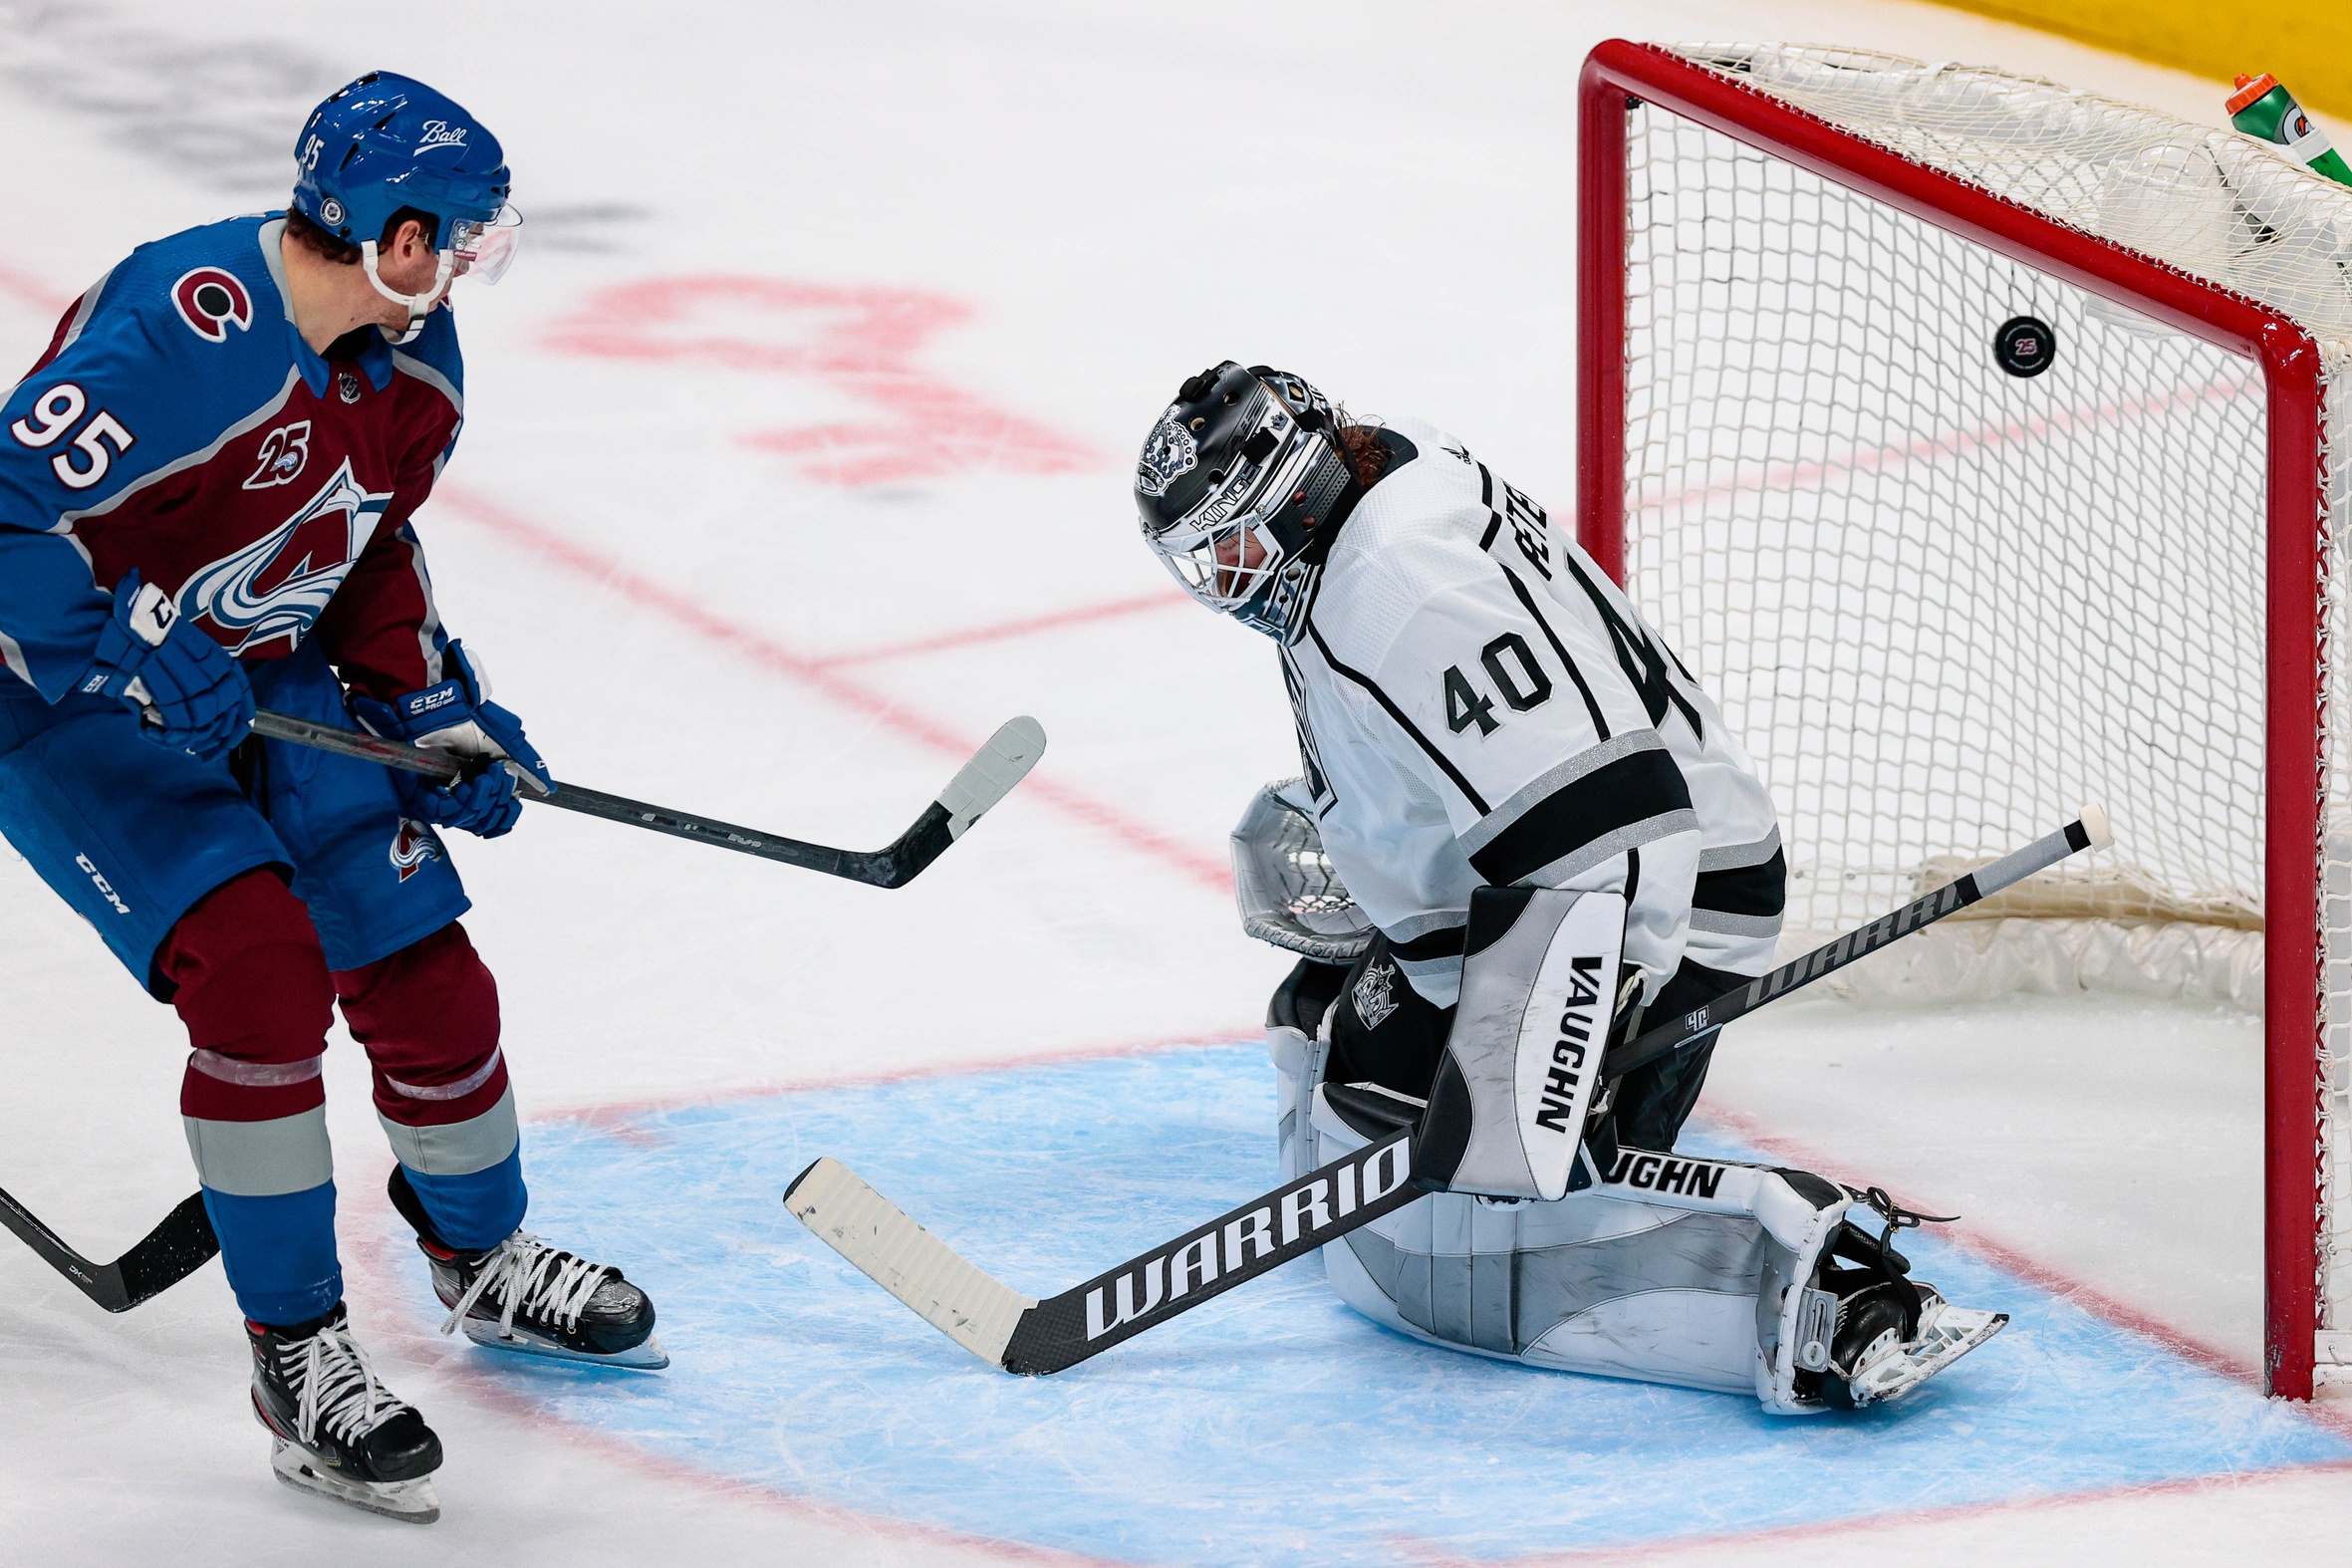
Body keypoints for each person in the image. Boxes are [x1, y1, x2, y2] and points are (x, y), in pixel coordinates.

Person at [0, 73, 657, 1524]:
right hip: (66, 697)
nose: (472, 265)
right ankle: (295, 1356)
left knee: (420, 952)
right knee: (258, 971)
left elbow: (360, 544)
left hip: (251, 661)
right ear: (391, 230)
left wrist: (431, 701)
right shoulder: (183, 335)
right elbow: (3, 523)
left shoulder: (415, 371)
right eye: (461, 237)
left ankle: (482, 1258)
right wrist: (115, 647)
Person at [1140, 362, 2003, 1411]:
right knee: (1343, 1044)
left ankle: (1843, 1298)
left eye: (1235, 542)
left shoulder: (1400, 592)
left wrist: (1542, 1057)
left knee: (1513, 1200)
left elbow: (1616, 828)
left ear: (1304, 490)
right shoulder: (1374, 492)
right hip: (1516, 887)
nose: (1226, 581)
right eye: (1203, 561)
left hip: (1655, 901)